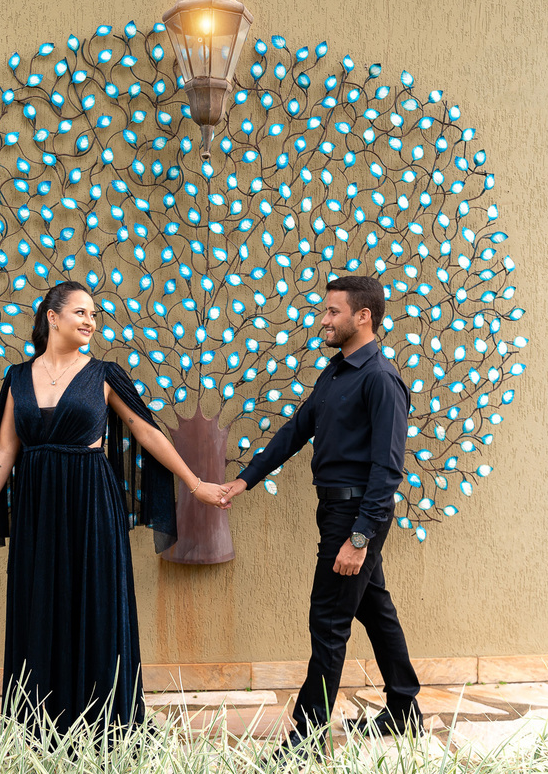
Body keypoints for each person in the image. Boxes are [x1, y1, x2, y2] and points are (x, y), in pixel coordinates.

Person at [0, 281, 230, 733]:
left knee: (97, 601)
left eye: (94, 314)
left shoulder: (104, 374)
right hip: (38, 508)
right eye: (81, 312)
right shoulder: (16, 377)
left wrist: (194, 482)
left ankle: (106, 724)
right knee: (39, 603)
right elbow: (4, 452)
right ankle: (37, 725)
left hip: (91, 504)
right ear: (52, 317)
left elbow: (147, 433)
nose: (90, 322)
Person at [222, 275, 423, 746]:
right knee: (375, 610)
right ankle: (404, 709)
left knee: (328, 621)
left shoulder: (381, 379)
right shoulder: (336, 372)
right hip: (333, 510)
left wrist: (360, 538)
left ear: (363, 316)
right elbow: (296, 431)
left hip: (355, 517)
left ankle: (307, 736)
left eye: (332, 312)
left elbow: (387, 469)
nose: (323, 320)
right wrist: (244, 480)